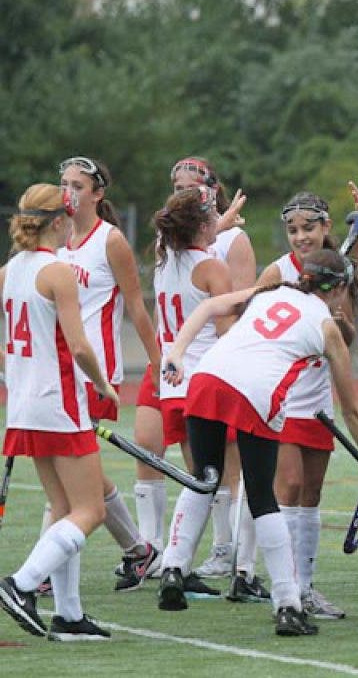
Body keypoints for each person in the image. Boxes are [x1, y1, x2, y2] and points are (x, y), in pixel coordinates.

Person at [161, 248, 358, 636]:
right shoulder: (325, 326)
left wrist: (177, 353)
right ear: (337, 289)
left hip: (206, 378)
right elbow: (352, 411)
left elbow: (211, 306)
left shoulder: (267, 292)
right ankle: (288, 605)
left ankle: (172, 568)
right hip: (255, 393)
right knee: (263, 498)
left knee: (205, 476)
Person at [0, 184, 121, 640]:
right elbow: (80, 345)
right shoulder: (57, 272)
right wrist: (104, 384)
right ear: (59, 221)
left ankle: (68, 615)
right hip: (60, 403)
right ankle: (22, 584)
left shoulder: (11, 269)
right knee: (89, 510)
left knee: (64, 506)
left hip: (25, 404)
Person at [56, 156, 163, 592]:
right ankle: (139, 549)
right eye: (63, 183)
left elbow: (137, 306)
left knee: (69, 467)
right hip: (60, 368)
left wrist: (160, 364)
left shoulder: (110, 240)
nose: (68, 192)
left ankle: (49, 571)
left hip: (95, 370)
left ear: (97, 193)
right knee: (78, 470)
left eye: (77, 185)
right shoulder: (57, 237)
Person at [256, 192, 358, 619]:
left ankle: (306, 587)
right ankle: (285, 589)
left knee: (311, 493)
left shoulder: (338, 272)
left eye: (308, 228)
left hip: (317, 400)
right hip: (282, 398)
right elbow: (251, 327)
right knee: (289, 485)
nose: (301, 236)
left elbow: (348, 339)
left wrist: (338, 322)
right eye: (293, 230)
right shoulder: (276, 272)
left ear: (326, 226)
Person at [168, 156, 257, 584]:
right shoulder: (188, 252)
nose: (180, 192)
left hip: (196, 364)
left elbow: (236, 302)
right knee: (206, 466)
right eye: (176, 186)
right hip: (194, 368)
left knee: (218, 465)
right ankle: (210, 554)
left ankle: (211, 553)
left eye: (190, 188)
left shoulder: (219, 242)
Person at [150, 187, 235, 598]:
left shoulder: (164, 261)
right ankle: (180, 563)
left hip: (173, 383)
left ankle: (178, 565)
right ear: (202, 225)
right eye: (215, 215)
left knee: (199, 476)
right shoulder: (211, 266)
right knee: (216, 478)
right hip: (205, 380)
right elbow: (225, 332)